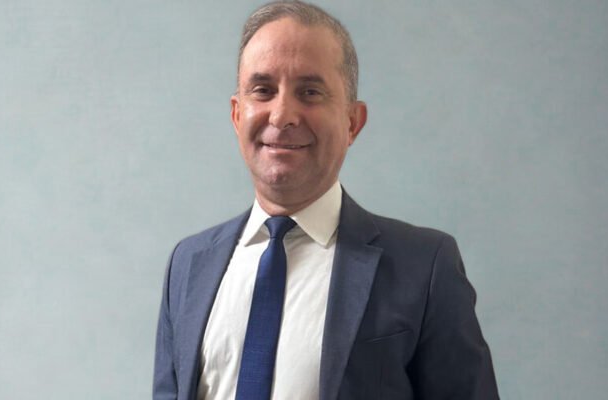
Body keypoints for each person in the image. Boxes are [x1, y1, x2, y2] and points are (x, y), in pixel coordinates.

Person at [153, 1, 499, 399]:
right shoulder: (188, 265)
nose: (282, 115)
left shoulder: (424, 267)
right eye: (263, 90)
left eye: (310, 92)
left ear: (353, 122)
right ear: (236, 114)